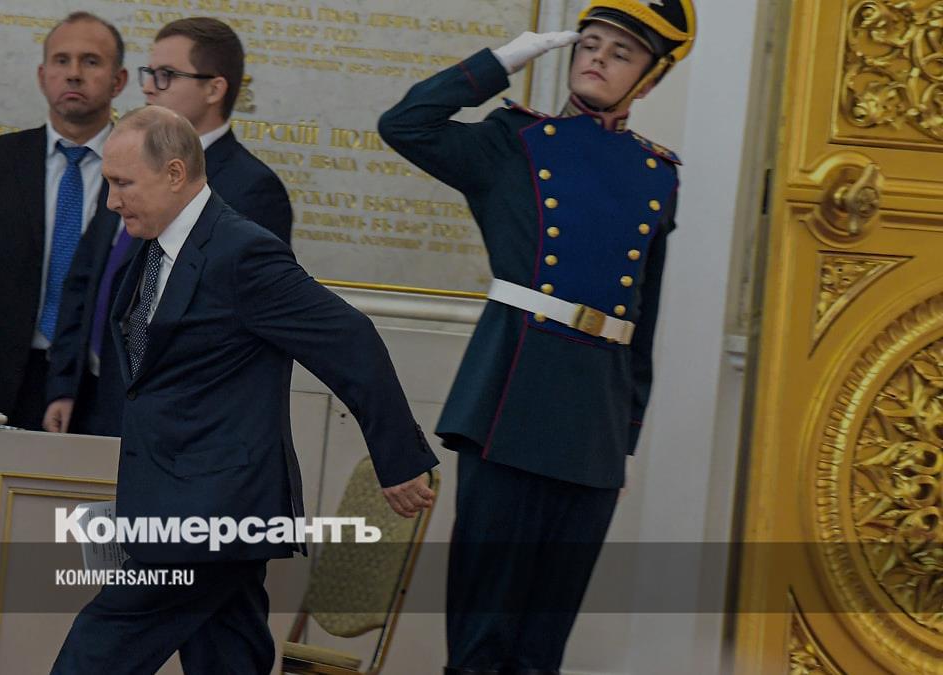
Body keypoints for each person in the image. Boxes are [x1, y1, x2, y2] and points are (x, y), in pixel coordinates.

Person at [50, 106, 438, 674]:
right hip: (175, 503)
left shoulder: (242, 252)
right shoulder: (151, 248)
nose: (111, 201)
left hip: (213, 510)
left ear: (175, 174)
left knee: (99, 648)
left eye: (123, 183)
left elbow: (348, 337)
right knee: (228, 655)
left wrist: (398, 456)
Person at [378, 1, 696, 672]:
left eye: (621, 52)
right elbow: (404, 124)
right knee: (481, 642)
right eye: (591, 42)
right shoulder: (516, 143)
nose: (598, 57)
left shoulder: (658, 176)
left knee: (541, 651)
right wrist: (501, 61)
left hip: (595, 428)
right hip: (512, 406)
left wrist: (623, 436)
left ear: (650, 79)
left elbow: (642, 320)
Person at [43, 17, 292, 437]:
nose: (148, 87)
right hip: (91, 399)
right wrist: (64, 385)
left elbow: (236, 324)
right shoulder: (132, 159)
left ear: (214, 89)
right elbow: (85, 278)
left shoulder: (251, 189)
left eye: (166, 75)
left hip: (172, 420)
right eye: (148, 73)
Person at [0, 12, 127, 429]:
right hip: (0, 386)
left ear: (119, 81)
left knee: (82, 479)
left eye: (91, 61)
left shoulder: (141, 171)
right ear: (42, 76)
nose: (73, 73)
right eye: (61, 60)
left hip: (98, 389)